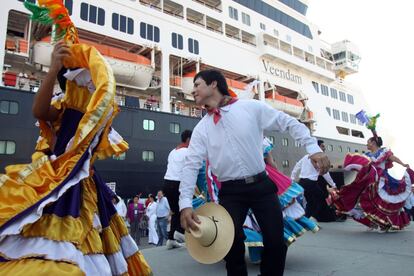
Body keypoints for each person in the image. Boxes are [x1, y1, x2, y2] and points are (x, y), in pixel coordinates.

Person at [0, 2, 151, 274]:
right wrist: (54, 67)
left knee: (88, 243)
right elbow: (39, 111)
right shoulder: (65, 105)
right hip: (57, 177)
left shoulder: (99, 112)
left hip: (82, 183)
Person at [179, 69, 331, 276]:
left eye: (197, 85)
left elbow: (288, 122)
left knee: (276, 240)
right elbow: (190, 165)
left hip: (262, 186)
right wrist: (185, 204)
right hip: (231, 192)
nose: (193, 90)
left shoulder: (250, 108)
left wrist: (313, 149)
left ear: (213, 84)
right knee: (231, 246)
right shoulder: (201, 129)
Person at [331, 136, 413, 231]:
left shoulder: (383, 152)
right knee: (365, 202)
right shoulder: (367, 155)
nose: (367, 144)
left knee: (384, 203)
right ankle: (372, 223)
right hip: (370, 181)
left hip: (382, 180)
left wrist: (403, 164)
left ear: (373, 143)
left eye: (368, 142)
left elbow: (393, 158)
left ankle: (387, 223)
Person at [291, 140, 339, 222]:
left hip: (302, 182)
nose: (324, 148)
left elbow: (297, 167)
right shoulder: (319, 158)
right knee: (320, 198)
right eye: (323, 146)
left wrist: (292, 179)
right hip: (311, 183)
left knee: (311, 202)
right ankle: (311, 218)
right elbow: (325, 173)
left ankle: (307, 219)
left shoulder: (305, 157)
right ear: (318, 147)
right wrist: (333, 185)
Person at [163, 130, 192, 249]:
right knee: (186, 207)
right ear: (189, 139)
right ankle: (180, 232)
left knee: (175, 211)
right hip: (177, 183)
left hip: (167, 183)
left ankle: (171, 239)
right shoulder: (188, 151)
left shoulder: (173, 151)